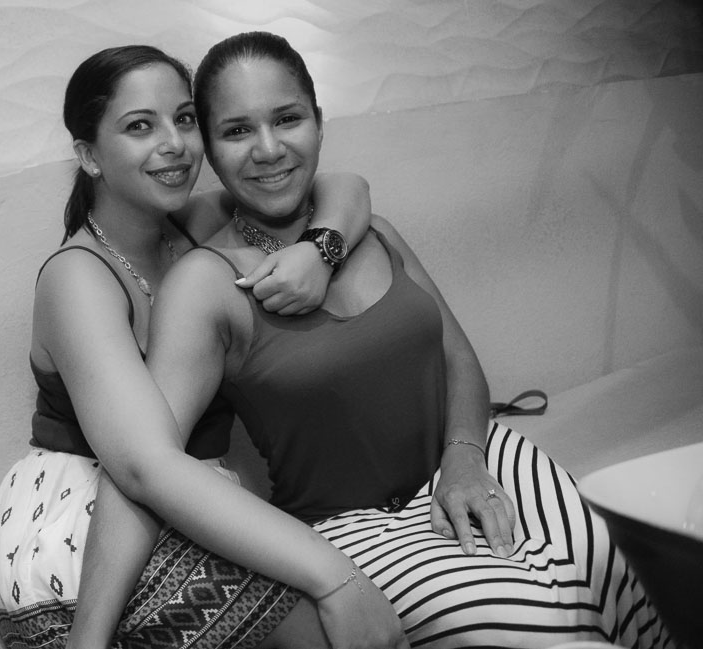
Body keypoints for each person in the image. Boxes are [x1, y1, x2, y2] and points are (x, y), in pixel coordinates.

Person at [77, 32, 673, 648]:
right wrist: (88, 638)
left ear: (318, 121)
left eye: (288, 119)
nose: (269, 149)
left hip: (482, 453)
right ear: (210, 148)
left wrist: (465, 457)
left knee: (623, 572)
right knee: (539, 626)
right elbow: (144, 463)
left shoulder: (370, 229)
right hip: (358, 526)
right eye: (236, 131)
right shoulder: (207, 284)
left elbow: (458, 358)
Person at [0, 44, 378, 648]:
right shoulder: (78, 277)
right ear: (88, 155)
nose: (174, 143)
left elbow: (344, 186)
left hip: (179, 498)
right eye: (140, 126)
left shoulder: (194, 229)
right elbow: (144, 465)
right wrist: (336, 576)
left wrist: (318, 252)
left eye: (185, 119)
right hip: (82, 517)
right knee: (319, 621)